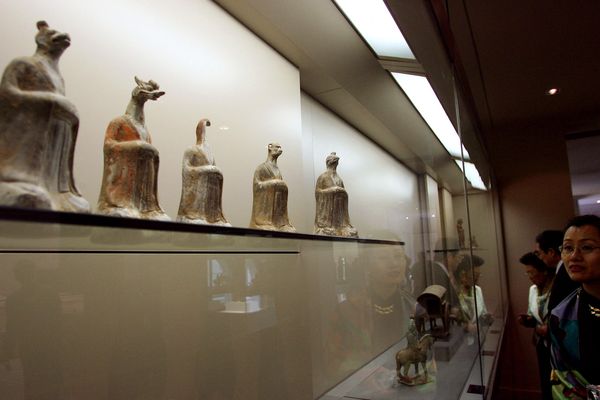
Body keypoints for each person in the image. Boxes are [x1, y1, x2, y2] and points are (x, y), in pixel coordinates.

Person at [549, 215, 600, 395]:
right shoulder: (560, 316)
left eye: (586, 247)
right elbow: (564, 382)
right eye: (568, 248)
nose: (574, 256)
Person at [517, 252, 555, 400]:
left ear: (544, 271)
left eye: (531, 273)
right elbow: (534, 316)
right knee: (545, 380)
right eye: (527, 273)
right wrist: (528, 320)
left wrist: (548, 329)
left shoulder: (557, 289)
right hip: (541, 343)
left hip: (557, 346)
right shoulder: (533, 290)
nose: (530, 277)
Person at [535, 230, 580, 312]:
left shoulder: (568, 273)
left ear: (551, 252)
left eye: (539, 253)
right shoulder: (560, 272)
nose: (540, 258)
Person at [453, 254, 492, 334]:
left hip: (477, 340)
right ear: (463, 275)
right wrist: (465, 327)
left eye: (479, 275)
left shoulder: (477, 290)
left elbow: (482, 314)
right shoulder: (453, 295)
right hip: (462, 342)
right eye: (475, 275)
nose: (477, 278)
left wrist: (486, 319)